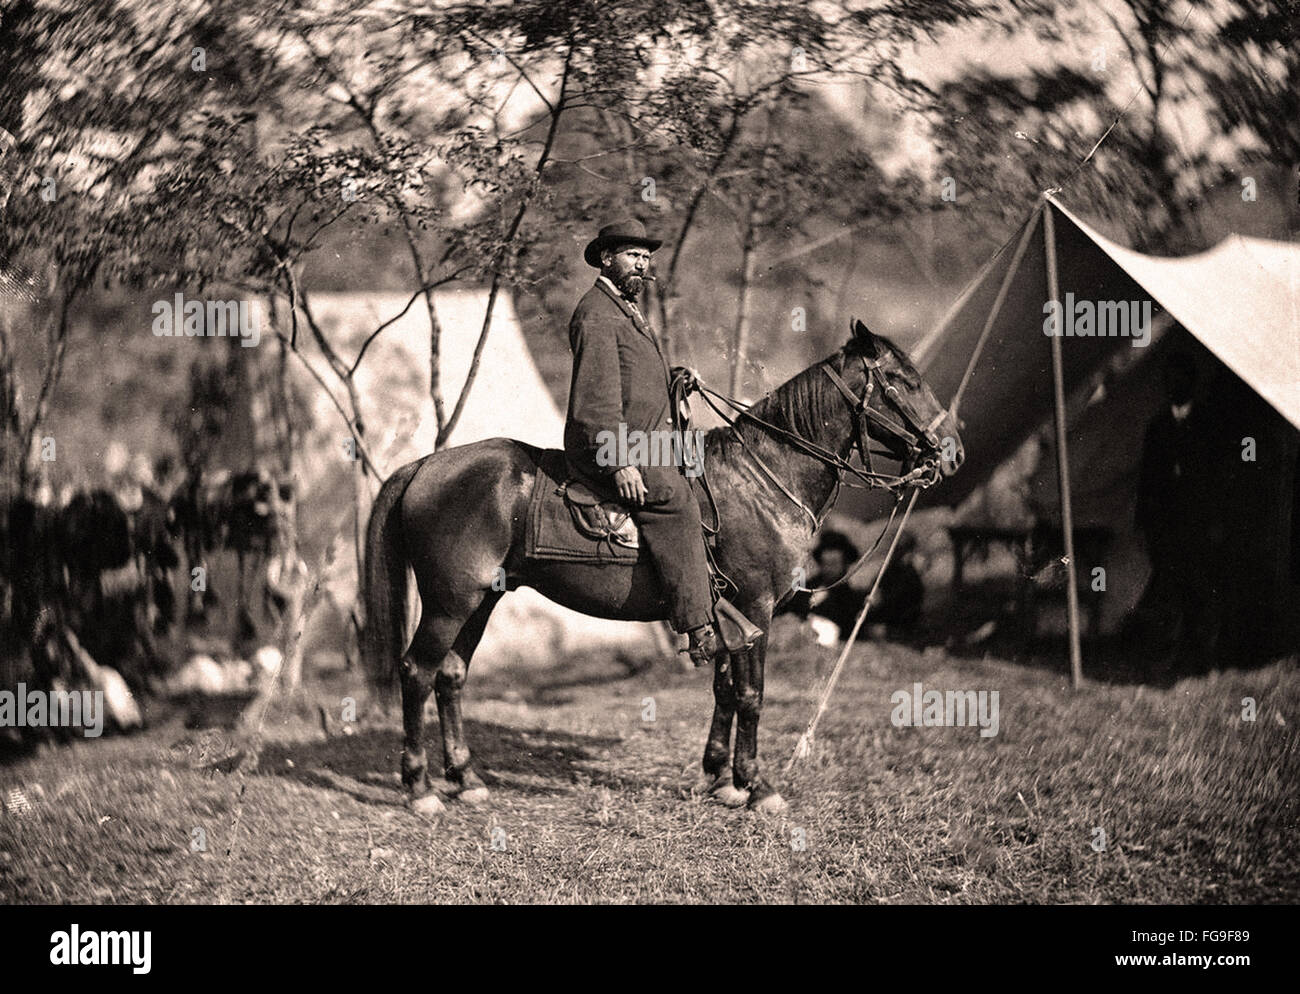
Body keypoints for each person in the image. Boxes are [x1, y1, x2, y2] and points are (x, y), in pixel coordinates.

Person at [564, 218, 747, 665]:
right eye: (632, 256)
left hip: (648, 440)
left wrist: (675, 381)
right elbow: (597, 400)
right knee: (673, 498)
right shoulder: (596, 314)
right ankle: (698, 625)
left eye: (646, 259)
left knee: (712, 475)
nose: (642, 266)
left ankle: (717, 591)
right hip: (611, 445)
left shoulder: (626, 310)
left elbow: (636, 383)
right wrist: (620, 463)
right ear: (607, 258)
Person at [1131, 349, 1223, 674]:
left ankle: (1201, 660)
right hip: (1165, 528)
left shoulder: (1208, 425)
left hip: (1197, 526)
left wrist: (1215, 523)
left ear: (1192, 383)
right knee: (1167, 594)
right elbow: (1146, 480)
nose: (1174, 385)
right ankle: (1165, 659)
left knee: (1199, 591)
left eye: (1180, 379)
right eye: (1169, 380)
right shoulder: (1157, 427)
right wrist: (1143, 525)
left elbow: (1217, 479)